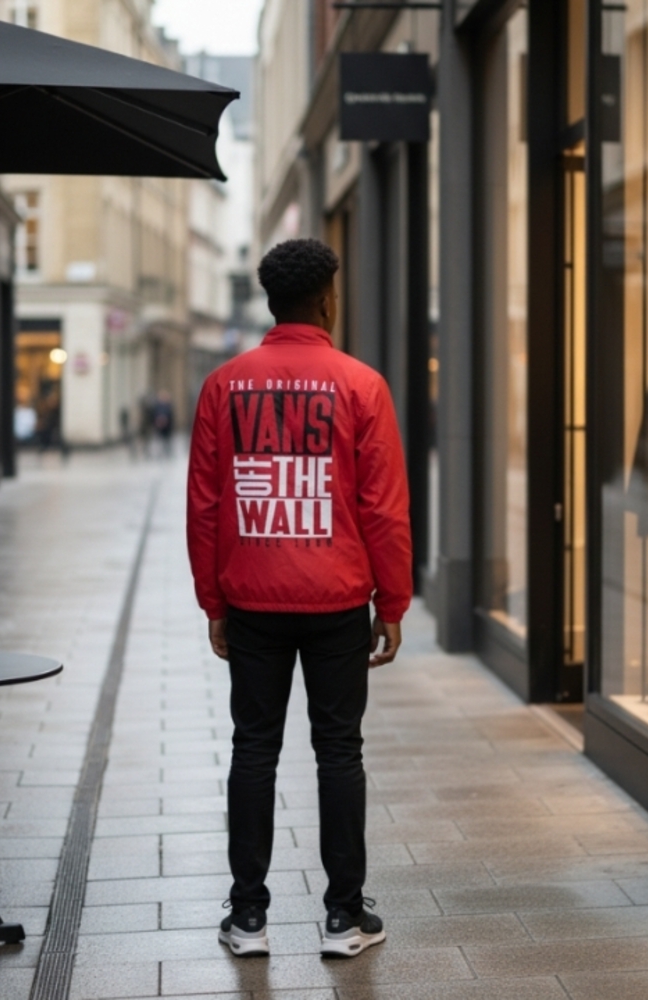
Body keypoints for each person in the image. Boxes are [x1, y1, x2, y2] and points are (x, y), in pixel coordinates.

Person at [187, 238, 412, 959]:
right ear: (326, 300)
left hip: (252, 601)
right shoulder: (361, 385)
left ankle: (248, 916)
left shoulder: (225, 386)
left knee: (253, 748)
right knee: (338, 750)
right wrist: (395, 602)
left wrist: (212, 602)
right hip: (337, 600)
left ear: (270, 301)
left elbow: (206, 504)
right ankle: (345, 915)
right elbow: (383, 507)